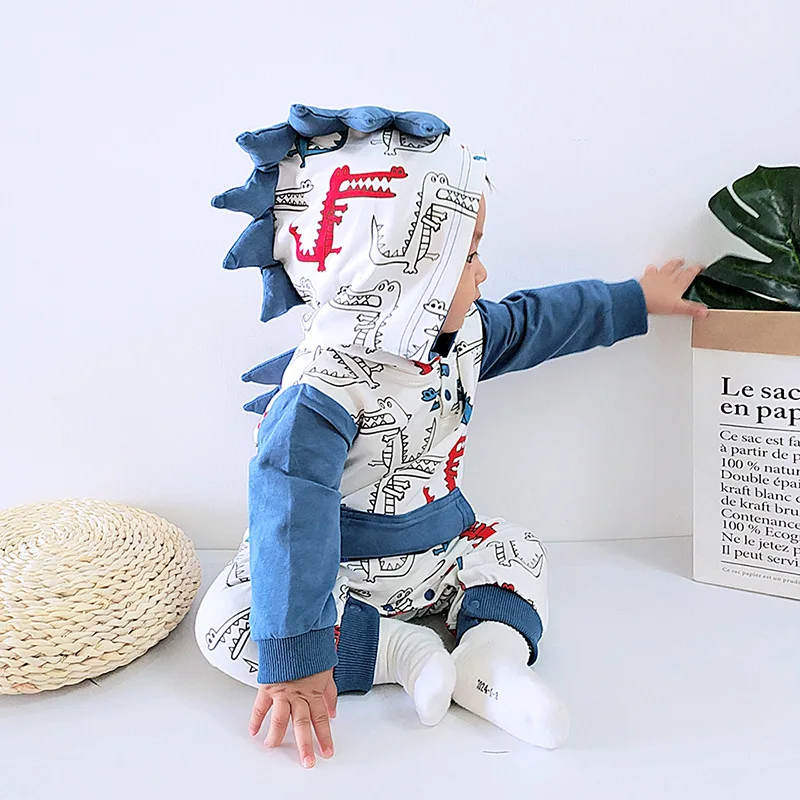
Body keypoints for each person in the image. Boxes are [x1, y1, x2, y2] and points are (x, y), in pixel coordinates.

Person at [195, 104, 708, 769]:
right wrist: (297, 660)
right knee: (229, 623)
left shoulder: (460, 339)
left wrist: (633, 298)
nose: (484, 273)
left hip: (444, 557)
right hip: (332, 582)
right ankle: (399, 654)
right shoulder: (320, 394)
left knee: (518, 547)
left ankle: (489, 657)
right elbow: (287, 523)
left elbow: (535, 322)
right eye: (468, 256)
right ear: (404, 275)